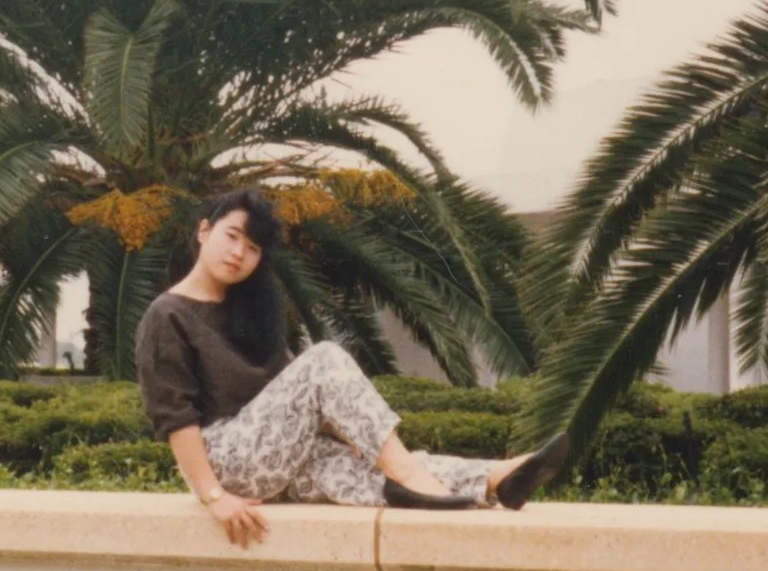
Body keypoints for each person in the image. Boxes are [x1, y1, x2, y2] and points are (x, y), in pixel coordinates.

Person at [134, 187, 569, 549]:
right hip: (224, 463)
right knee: (324, 359)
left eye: (252, 248)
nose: (238, 253)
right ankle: (409, 474)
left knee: (366, 471)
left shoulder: (247, 311)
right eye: (232, 236)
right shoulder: (167, 315)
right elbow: (176, 419)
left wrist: (357, 436)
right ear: (204, 231)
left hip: (271, 455)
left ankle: (496, 478)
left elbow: (291, 395)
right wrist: (214, 497)